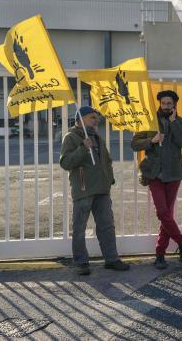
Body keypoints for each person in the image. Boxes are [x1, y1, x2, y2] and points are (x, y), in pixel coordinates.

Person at [59, 106, 130, 275]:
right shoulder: (71, 137)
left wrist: (109, 179)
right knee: (79, 228)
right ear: (80, 120)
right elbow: (65, 163)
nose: (96, 120)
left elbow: (106, 159)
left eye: (96, 117)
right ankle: (81, 263)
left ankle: (111, 259)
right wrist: (83, 148)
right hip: (84, 189)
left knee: (107, 226)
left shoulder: (96, 135)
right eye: (92, 117)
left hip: (102, 189)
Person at [131, 90, 182, 269]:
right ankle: (181, 242)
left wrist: (173, 123)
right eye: (163, 103)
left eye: (169, 104)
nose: (166, 106)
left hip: (173, 174)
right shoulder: (149, 122)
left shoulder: (180, 122)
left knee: (167, 215)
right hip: (154, 174)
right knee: (162, 213)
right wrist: (152, 140)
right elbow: (134, 144)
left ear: (174, 106)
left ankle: (160, 254)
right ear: (159, 104)